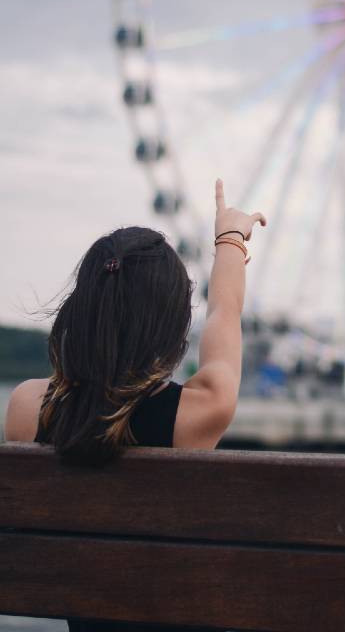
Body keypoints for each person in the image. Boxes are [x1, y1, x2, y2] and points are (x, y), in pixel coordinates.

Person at [4, 179, 264, 630]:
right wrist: (230, 239)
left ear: (81, 310)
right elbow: (224, 314)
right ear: (172, 326)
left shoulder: (28, 407)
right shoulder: (198, 414)